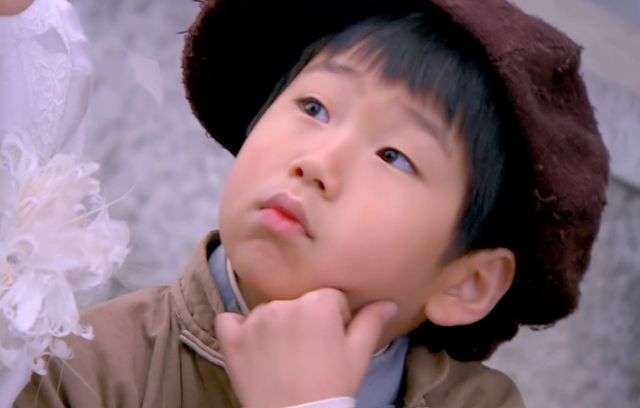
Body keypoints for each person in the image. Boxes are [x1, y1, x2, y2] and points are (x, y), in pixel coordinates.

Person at [15, 0, 609, 406]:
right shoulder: (89, 372)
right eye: (314, 108)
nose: (317, 162)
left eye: (394, 156)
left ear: (466, 283)